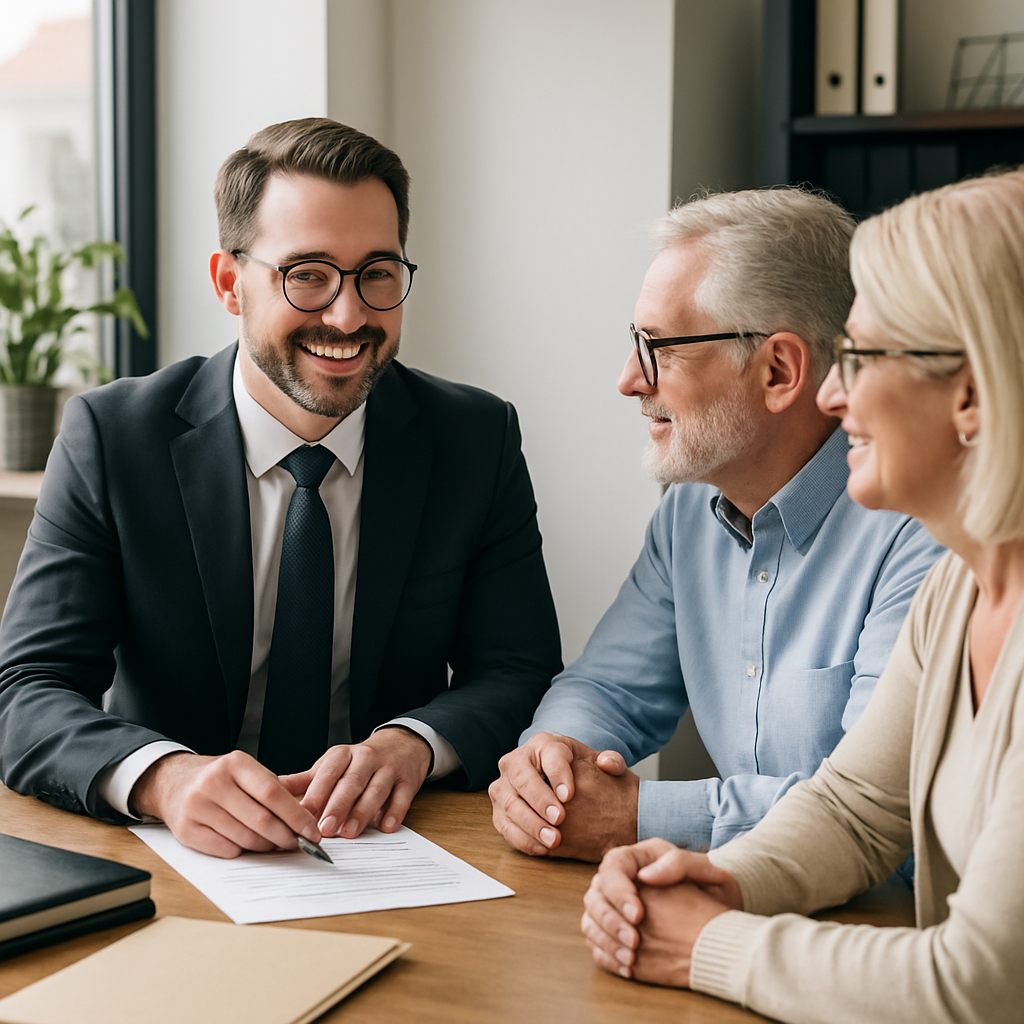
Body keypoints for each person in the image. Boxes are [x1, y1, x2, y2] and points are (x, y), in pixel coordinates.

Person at [0, 118, 561, 858]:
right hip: (176, 856)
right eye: (307, 273)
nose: (348, 313)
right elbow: (28, 690)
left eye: (377, 273)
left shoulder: (474, 438)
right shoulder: (113, 438)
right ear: (230, 284)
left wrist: (414, 744)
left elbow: (521, 670)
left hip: (392, 850)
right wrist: (164, 779)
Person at [581, 169, 1024, 1024]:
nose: (831, 393)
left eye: (860, 358)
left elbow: (980, 983)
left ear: (970, 393)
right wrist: (722, 879)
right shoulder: (960, 595)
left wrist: (705, 943)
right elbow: (859, 808)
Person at [490, 187, 944, 862]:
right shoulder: (689, 511)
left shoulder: (922, 528)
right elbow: (607, 687)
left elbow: (878, 809)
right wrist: (550, 766)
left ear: (779, 370)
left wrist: (636, 815)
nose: (627, 380)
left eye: (658, 347)